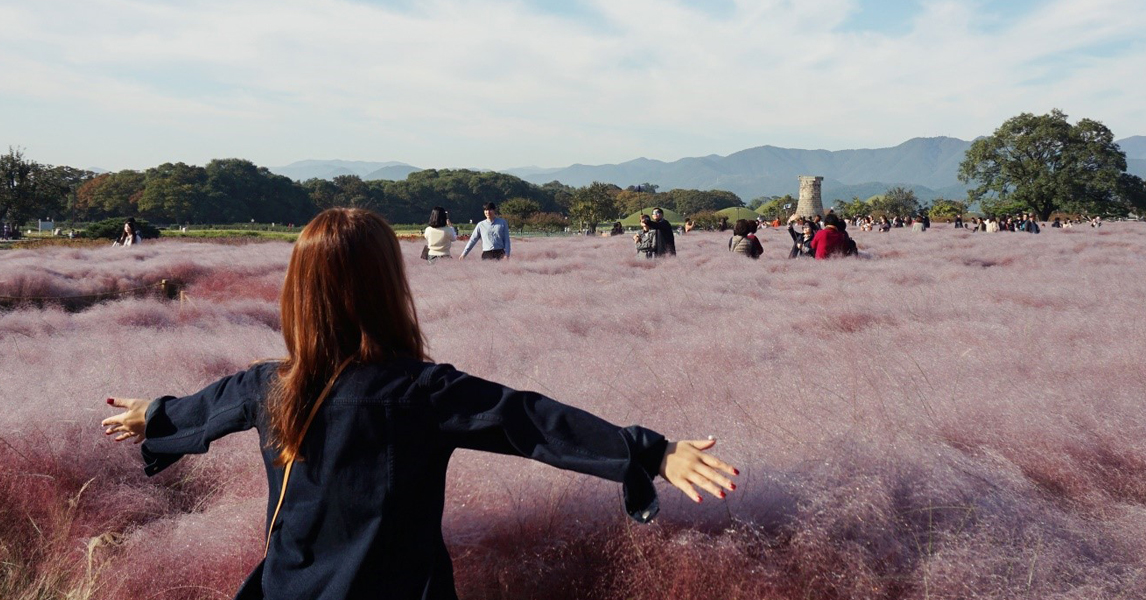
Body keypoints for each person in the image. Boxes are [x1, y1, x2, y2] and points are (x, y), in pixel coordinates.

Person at [99, 208, 737, 599]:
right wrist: (650, 453)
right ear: (389, 289)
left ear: (298, 294)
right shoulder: (422, 392)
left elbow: (202, 411)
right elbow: (533, 421)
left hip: (288, 587)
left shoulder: (270, 385)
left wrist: (152, 415)